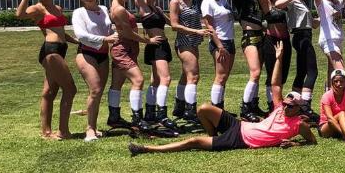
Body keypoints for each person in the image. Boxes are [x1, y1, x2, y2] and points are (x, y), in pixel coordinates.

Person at [129, 41, 316, 154]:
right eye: (286, 103)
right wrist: (278, 58)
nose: (286, 107)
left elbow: (312, 142)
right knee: (203, 109)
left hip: (241, 140)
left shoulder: (299, 124)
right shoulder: (279, 108)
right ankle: (213, 137)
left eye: (290, 106)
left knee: (194, 142)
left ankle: (147, 149)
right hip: (239, 125)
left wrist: (294, 144)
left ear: (299, 108)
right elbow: (275, 85)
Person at [109, 0, 169, 134]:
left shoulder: (119, 3)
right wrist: (148, 40)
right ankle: (137, 119)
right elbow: (128, 33)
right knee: (139, 80)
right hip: (123, 48)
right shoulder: (119, 10)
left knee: (117, 83)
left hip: (127, 48)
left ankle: (114, 117)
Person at [16, 0, 78, 140]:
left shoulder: (57, 8)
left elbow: (61, 32)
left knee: (50, 92)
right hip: (50, 51)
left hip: (61, 49)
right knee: (70, 89)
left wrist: (76, 41)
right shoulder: (38, 8)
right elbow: (19, 15)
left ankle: (46, 132)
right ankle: (63, 131)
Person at [131, 0, 180, 134]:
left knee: (156, 80)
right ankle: (162, 114)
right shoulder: (143, 7)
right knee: (166, 79)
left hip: (163, 45)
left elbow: (173, 23)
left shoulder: (158, 9)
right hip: (156, 46)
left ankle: (150, 112)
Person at [224, 0, 266, 121]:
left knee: (258, 73)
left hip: (260, 36)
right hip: (249, 37)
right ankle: (245, 107)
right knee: (255, 72)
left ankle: (253, 105)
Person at [72, 0, 119, 142]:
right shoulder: (79, 12)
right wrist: (105, 39)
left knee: (98, 93)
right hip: (86, 53)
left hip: (103, 54)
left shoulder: (104, 9)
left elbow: (109, 28)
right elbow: (81, 35)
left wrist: (116, 32)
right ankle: (90, 129)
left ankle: (94, 125)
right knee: (96, 89)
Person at [274, 0, 319, 121]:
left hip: (305, 35)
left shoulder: (303, 3)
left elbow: (313, 24)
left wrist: (324, 18)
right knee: (313, 72)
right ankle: (305, 106)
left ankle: (294, 104)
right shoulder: (293, 1)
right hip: (301, 37)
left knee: (301, 72)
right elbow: (277, 4)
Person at [169, 0, 209, 129]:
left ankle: (179, 107)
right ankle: (190, 111)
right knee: (194, 76)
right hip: (184, 42)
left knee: (186, 75)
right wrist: (196, 31)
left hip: (192, 42)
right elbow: (174, 25)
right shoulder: (175, 2)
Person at [254, 0, 291, 113]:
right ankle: (272, 105)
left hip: (285, 41)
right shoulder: (265, 3)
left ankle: (278, 102)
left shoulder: (282, 2)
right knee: (272, 72)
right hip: (271, 41)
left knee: (283, 73)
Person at [200, 0, 235, 111]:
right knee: (220, 77)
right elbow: (209, 26)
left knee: (224, 77)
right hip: (220, 42)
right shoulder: (207, 2)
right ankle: (216, 110)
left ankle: (221, 109)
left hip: (229, 41)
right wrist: (220, 46)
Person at [314, 0, 345, 78]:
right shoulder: (321, 3)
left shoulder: (337, 2)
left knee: (331, 72)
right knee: (341, 71)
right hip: (329, 40)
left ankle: (328, 88)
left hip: (338, 41)